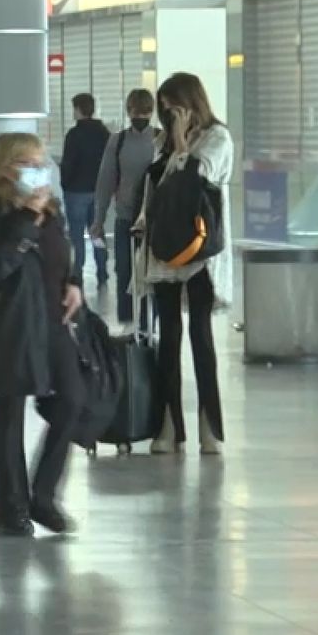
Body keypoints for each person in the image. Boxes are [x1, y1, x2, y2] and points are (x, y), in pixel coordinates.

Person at [0, 132, 84, 539]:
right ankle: (8, 505)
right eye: (26, 163)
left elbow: (63, 251)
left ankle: (43, 494)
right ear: (5, 166)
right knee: (10, 410)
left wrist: (74, 282)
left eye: (40, 162)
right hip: (9, 323)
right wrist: (24, 222)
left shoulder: (50, 208)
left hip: (51, 318)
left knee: (72, 398)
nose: (37, 170)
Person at [137, 73, 231, 456]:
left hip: (199, 251)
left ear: (192, 103)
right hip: (163, 251)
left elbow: (195, 178)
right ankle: (168, 425)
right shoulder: (158, 142)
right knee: (169, 338)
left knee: (201, 338)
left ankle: (210, 427)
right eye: (163, 108)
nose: (167, 114)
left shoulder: (217, 138)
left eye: (173, 106)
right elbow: (156, 187)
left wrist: (179, 141)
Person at [93, 89, 159, 327]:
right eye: (135, 110)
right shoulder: (117, 141)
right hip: (125, 217)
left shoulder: (162, 139)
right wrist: (98, 219)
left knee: (153, 273)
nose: (139, 115)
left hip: (155, 219)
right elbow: (105, 181)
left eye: (145, 111)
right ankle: (128, 323)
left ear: (152, 112)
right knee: (125, 271)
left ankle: (149, 322)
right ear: (128, 111)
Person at [60, 93, 111, 287]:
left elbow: (68, 164)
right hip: (98, 192)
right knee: (97, 232)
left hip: (76, 192)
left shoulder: (74, 135)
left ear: (79, 109)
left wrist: (66, 184)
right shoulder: (104, 133)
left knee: (76, 235)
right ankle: (102, 269)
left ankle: (77, 272)